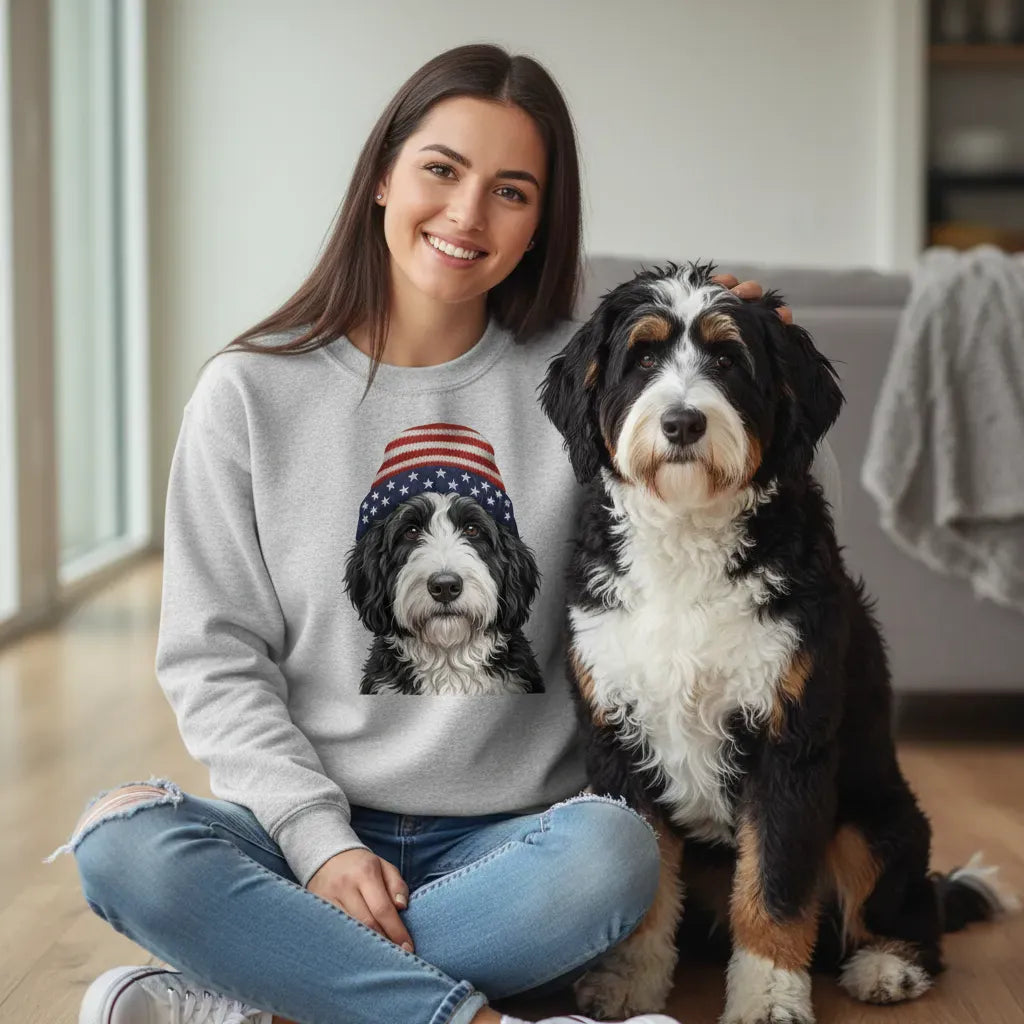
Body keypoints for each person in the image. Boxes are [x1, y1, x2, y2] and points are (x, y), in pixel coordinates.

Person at [46, 43, 840, 1024]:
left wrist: (751, 354)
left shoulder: (591, 384)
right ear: (382, 175)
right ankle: (464, 1012)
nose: (468, 215)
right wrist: (320, 844)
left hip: (517, 846)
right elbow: (212, 661)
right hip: (301, 833)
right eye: (441, 169)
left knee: (614, 855)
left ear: (541, 221)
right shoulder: (246, 392)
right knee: (122, 845)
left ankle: (268, 996)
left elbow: (730, 474)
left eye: (512, 191)